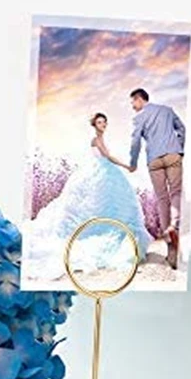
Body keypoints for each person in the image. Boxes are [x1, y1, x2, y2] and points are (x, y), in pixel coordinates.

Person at [27, 113, 150, 280]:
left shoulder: (100, 138)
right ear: (94, 125)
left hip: (105, 172)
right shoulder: (96, 139)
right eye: (99, 122)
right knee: (98, 205)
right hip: (101, 172)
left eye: (104, 122)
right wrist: (127, 166)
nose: (103, 125)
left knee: (114, 205)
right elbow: (108, 157)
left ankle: (120, 234)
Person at [129, 88, 186, 269]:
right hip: (173, 154)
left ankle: (170, 245)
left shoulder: (139, 118)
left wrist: (133, 162)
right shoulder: (167, 110)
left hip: (154, 159)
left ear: (139, 99)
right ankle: (174, 226)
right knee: (175, 192)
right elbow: (181, 128)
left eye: (133, 102)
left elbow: (135, 142)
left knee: (162, 198)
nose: (132, 106)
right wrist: (179, 148)